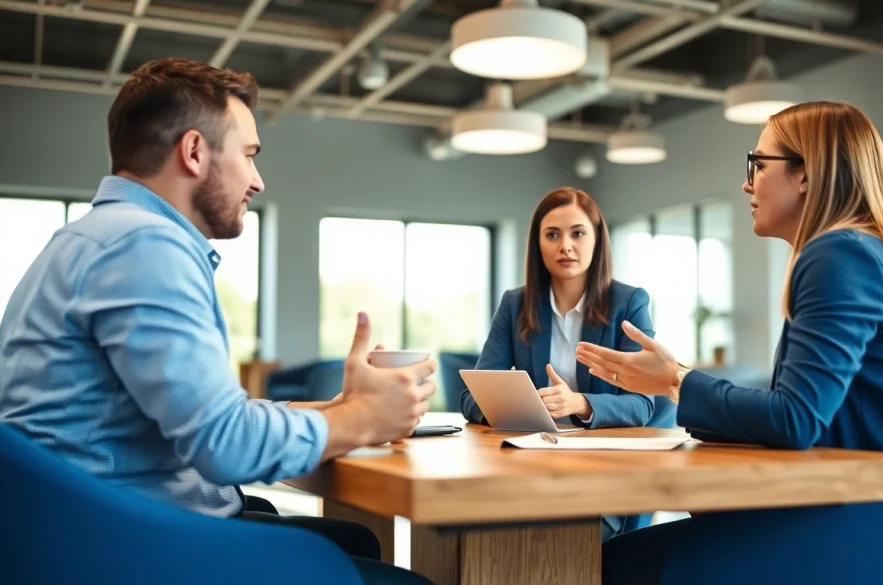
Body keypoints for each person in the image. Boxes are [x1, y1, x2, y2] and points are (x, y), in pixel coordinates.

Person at [0, 58, 434, 585]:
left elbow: (200, 415)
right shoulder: (144, 244)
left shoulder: (95, 236)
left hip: (83, 530)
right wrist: (365, 420)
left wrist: (346, 407)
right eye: (249, 155)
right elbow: (224, 444)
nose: (258, 180)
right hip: (129, 550)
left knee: (356, 540)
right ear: (194, 152)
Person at [576, 101, 883, 584]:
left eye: (758, 164)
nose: (747, 182)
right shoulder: (863, 251)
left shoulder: (840, 255)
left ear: (807, 174)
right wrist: (676, 381)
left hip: (851, 528)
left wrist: (675, 381)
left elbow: (795, 420)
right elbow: (804, 415)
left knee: (598, 561)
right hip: (870, 519)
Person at [460, 186, 658, 541]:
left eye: (578, 233)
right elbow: (472, 396)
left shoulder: (629, 303)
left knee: (543, 535)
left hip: (602, 476)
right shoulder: (515, 305)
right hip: (531, 467)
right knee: (471, 524)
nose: (565, 245)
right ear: (538, 245)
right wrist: (521, 405)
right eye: (552, 235)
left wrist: (580, 404)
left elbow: (643, 404)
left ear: (597, 239)